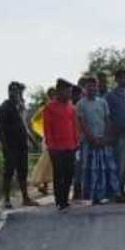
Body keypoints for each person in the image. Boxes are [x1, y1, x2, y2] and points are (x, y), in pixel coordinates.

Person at [76, 76, 120, 205]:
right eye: (89, 86)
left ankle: (107, 194)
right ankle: (92, 196)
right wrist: (92, 138)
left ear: (97, 87)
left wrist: (105, 137)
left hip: (103, 140)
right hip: (89, 142)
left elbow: (107, 120)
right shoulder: (80, 104)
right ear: (85, 88)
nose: (92, 88)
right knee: (91, 169)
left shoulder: (102, 102)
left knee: (107, 168)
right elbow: (82, 123)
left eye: (94, 86)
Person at [0, 82, 38, 209]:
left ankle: (25, 198)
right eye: (15, 91)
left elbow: (24, 125)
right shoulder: (4, 107)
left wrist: (32, 140)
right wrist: (4, 146)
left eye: (19, 92)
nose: (18, 94)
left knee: (23, 171)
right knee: (9, 172)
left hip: (21, 144)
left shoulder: (20, 106)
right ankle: (7, 200)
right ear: (10, 92)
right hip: (10, 145)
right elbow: (0, 128)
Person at [42, 79, 78, 211]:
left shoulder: (71, 107)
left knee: (69, 174)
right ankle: (60, 201)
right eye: (67, 91)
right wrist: (51, 146)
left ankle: (65, 199)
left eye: (70, 91)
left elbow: (74, 126)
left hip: (70, 146)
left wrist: (76, 142)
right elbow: (47, 128)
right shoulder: (50, 107)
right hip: (56, 148)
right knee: (59, 175)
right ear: (59, 91)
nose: (69, 94)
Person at [106, 69, 125, 193]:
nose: (124, 80)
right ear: (116, 80)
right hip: (118, 133)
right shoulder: (110, 96)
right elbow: (107, 116)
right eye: (121, 78)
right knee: (120, 163)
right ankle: (117, 191)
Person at [30, 87, 55, 195]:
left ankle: (46, 185)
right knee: (46, 160)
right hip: (48, 137)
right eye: (51, 94)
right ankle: (40, 182)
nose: (52, 96)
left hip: (57, 136)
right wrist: (42, 130)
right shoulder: (46, 108)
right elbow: (34, 120)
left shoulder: (57, 106)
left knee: (51, 162)